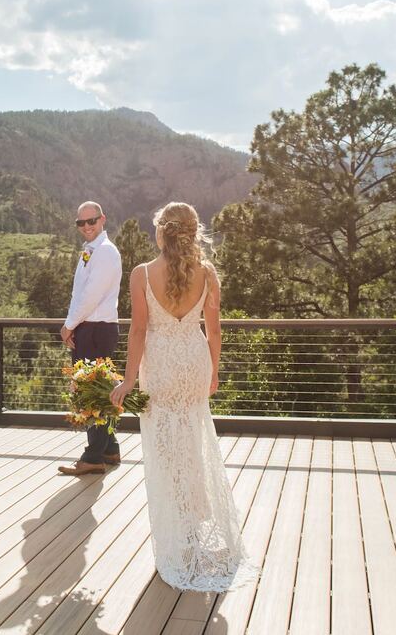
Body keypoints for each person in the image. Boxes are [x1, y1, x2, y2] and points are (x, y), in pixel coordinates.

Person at [110, 202, 257, 591]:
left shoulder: (142, 274)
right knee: (194, 443)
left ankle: (177, 537)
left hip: (159, 367)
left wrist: (127, 381)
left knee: (164, 449)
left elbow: (138, 332)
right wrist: (214, 370)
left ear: (162, 232)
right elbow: (215, 330)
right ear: (192, 233)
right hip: (194, 364)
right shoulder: (207, 273)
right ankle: (194, 526)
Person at [57, 201, 123, 476]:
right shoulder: (90, 251)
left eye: (91, 221)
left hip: (96, 329)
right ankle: (109, 448)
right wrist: (74, 325)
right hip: (90, 327)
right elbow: (78, 293)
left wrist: (68, 325)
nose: (86, 227)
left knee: (89, 393)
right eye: (81, 223)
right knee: (98, 391)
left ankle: (93, 456)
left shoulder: (106, 252)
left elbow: (91, 295)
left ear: (102, 219)